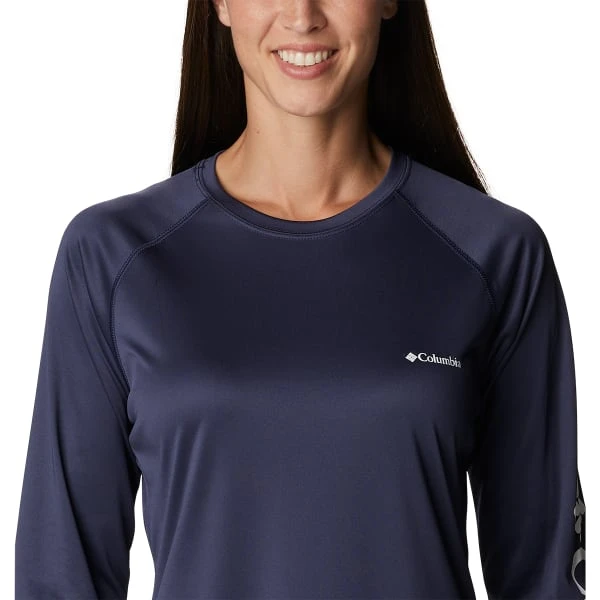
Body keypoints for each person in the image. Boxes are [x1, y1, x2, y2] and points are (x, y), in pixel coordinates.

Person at [15, 0, 586, 598]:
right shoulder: (113, 256)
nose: (302, 14)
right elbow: (59, 578)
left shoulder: (494, 253)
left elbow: (546, 578)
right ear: (220, 5)